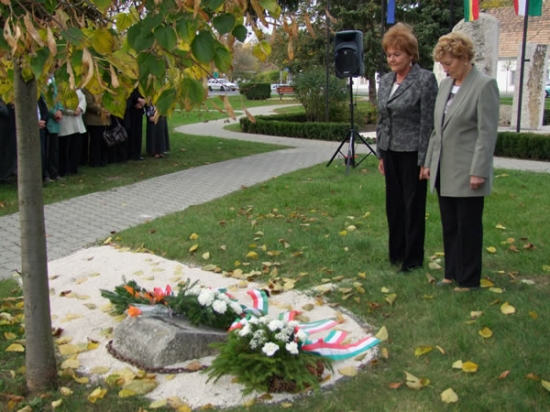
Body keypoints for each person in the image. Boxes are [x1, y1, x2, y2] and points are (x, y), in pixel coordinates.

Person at [421, 32, 499, 292]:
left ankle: (469, 279)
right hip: (444, 169)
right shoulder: (445, 85)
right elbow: (437, 129)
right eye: (442, 64)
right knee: (450, 225)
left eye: (449, 63)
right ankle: (451, 273)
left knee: (468, 227)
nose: (445, 68)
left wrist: (479, 171)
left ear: (464, 57)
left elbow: (486, 133)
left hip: (468, 170)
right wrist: (429, 162)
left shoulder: (484, 85)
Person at [376, 23, 438, 273]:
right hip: (390, 151)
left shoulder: (424, 79)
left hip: (413, 153)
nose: (392, 59)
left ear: (410, 54)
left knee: (413, 207)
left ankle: (412, 259)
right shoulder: (385, 80)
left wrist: (425, 160)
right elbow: (382, 119)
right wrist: (381, 153)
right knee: (394, 206)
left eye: (397, 54)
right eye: (389, 54)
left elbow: (428, 123)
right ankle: (397, 253)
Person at [58, 88, 87, 176]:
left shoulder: (77, 89)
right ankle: (64, 169)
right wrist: (72, 111)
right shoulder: (62, 89)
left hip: (77, 123)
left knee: (76, 147)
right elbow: (61, 105)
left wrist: (80, 108)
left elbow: (83, 99)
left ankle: (74, 167)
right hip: (67, 122)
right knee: (66, 148)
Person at [83, 88, 110, 167]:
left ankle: (103, 160)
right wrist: (102, 111)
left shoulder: (103, 88)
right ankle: (94, 161)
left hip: (105, 120)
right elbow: (90, 104)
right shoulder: (88, 89)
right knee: (95, 142)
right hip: (94, 121)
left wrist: (109, 110)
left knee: (104, 141)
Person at [124, 88, 145, 161]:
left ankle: (137, 153)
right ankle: (130, 153)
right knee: (130, 130)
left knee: (138, 131)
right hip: (131, 108)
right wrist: (138, 99)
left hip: (139, 109)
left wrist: (143, 102)